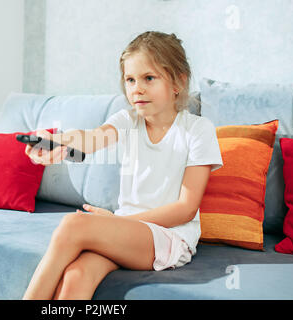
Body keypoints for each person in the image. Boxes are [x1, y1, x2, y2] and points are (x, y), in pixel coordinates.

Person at [22, 31, 223, 300]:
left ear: (178, 82)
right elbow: (91, 138)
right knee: (76, 277)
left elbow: (185, 210)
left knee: (74, 224)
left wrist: (120, 221)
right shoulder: (128, 121)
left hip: (169, 237)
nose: (136, 88)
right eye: (130, 80)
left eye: (148, 78)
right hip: (126, 233)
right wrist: (57, 140)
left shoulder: (198, 130)